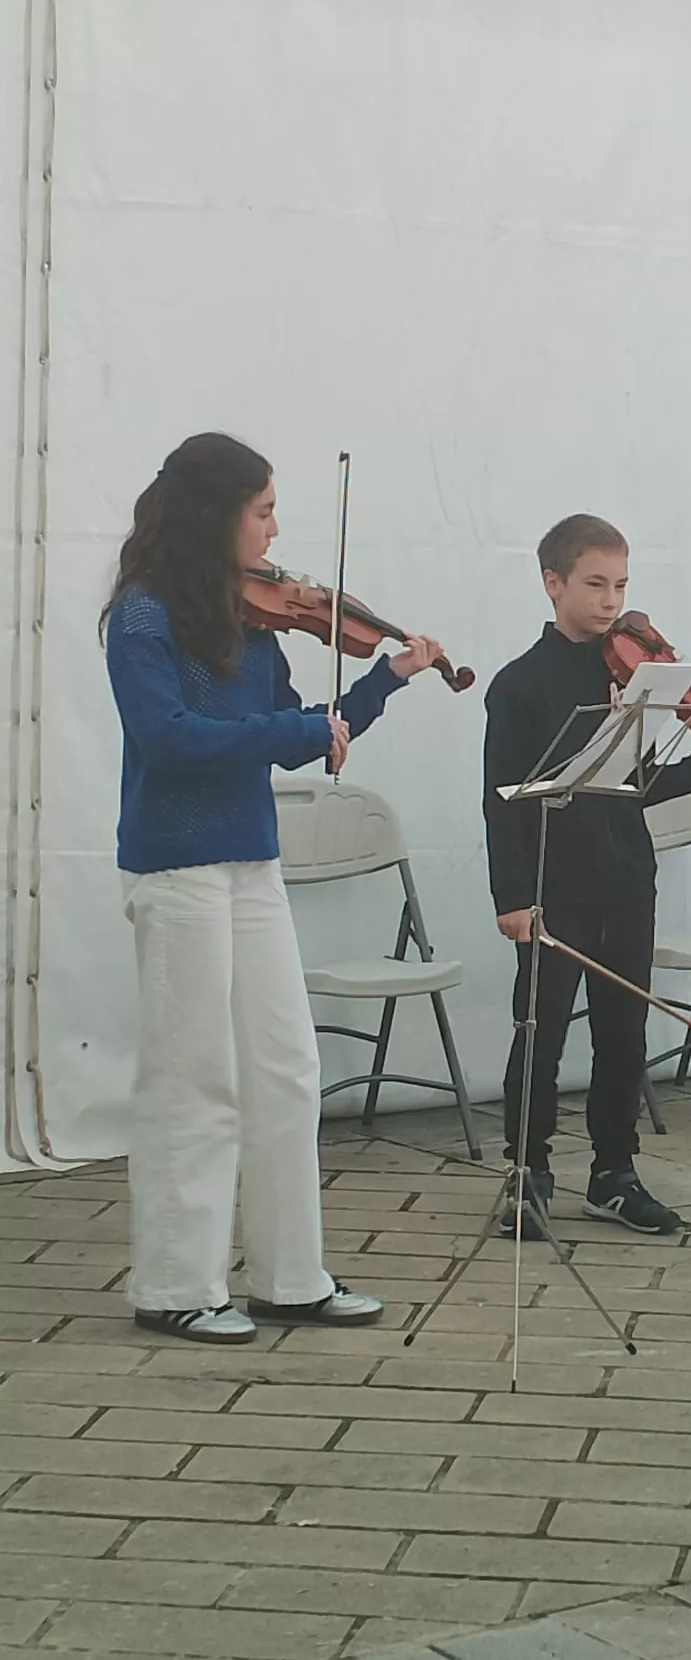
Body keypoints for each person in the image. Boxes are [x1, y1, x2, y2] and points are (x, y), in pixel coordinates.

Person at [103, 433, 444, 1345]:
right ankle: (177, 1283)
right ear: (216, 515)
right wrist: (290, 733)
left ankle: (292, 1276)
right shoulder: (142, 617)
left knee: (287, 1069)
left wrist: (384, 682)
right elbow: (172, 738)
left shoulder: (253, 623)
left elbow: (306, 728)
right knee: (195, 1075)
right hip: (175, 864)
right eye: (262, 511)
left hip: (249, 858)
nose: (277, 530)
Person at [484, 514, 691, 1237]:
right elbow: (500, 799)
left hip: (624, 876)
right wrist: (511, 896)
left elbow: (642, 784)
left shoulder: (634, 679)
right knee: (540, 1030)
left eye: (621, 586)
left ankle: (615, 1172)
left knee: (623, 1032)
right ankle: (529, 1171)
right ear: (553, 584)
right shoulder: (519, 685)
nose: (612, 603)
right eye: (595, 585)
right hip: (554, 882)